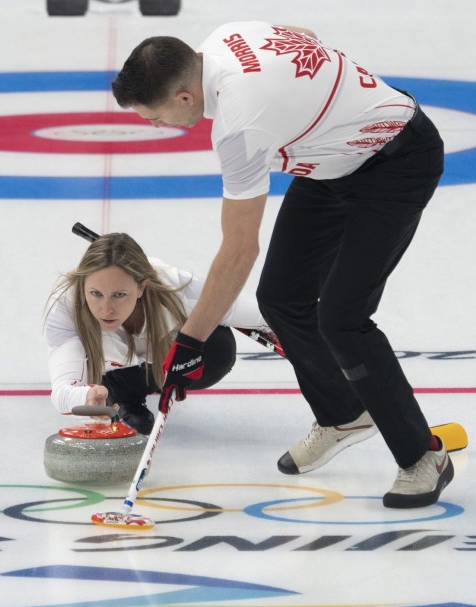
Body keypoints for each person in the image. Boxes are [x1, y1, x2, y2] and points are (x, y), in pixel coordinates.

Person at [111, 22, 452, 508]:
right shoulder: (227, 37)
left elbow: (239, 249)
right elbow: (304, 35)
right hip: (332, 159)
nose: (154, 125)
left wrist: (191, 339)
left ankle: (424, 457)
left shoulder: (240, 127)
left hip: (398, 163)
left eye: (154, 116)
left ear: (185, 97)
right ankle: (344, 413)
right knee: (281, 299)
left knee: (343, 319)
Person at [45, 232, 265, 434]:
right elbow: (63, 391)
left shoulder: (180, 292)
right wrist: (86, 396)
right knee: (104, 370)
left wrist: (297, 346)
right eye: (95, 293)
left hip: (162, 356)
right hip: (111, 370)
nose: (106, 309)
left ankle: (151, 377)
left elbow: (266, 315)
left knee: (218, 347)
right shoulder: (65, 310)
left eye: (119, 294)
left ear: (141, 287)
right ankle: (122, 395)